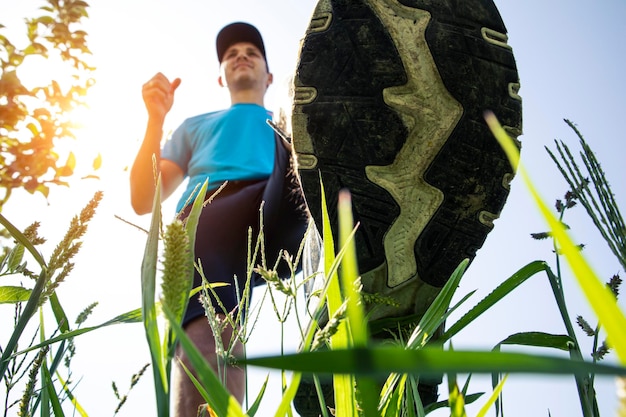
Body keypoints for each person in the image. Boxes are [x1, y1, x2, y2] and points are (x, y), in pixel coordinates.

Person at [129, 22, 308, 417]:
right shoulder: (197, 126)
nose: (240, 55)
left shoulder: (284, 124)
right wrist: (156, 119)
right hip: (208, 216)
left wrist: (297, 133)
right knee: (213, 323)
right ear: (222, 75)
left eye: (251, 51)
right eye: (231, 54)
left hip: (276, 200)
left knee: (301, 153)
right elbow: (144, 197)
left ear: (270, 75)